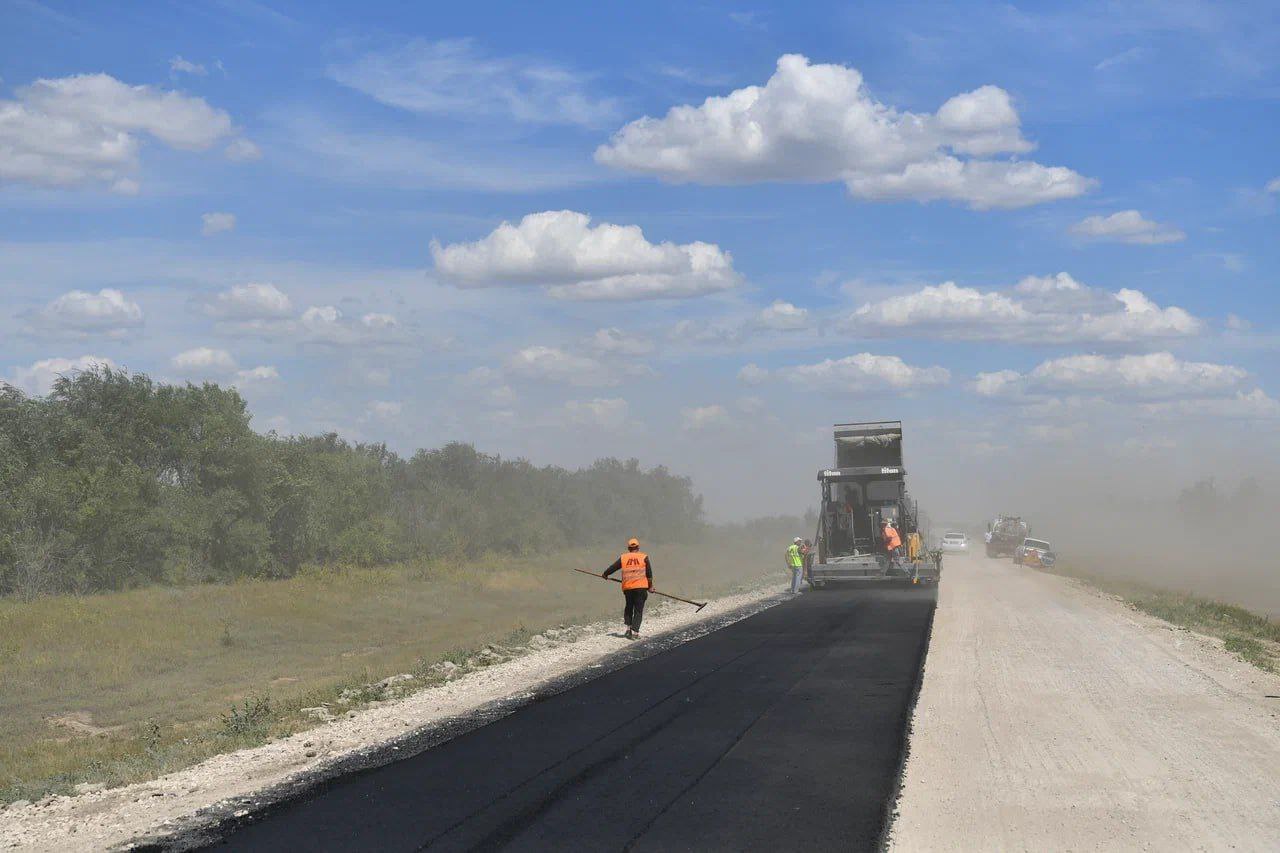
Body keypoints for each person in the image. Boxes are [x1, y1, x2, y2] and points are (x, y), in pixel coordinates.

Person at [601, 538, 652, 640]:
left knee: (629, 607)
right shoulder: (644, 557)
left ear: (629, 548)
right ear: (638, 547)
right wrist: (650, 587)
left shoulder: (624, 558)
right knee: (638, 610)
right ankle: (635, 632)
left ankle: (628, 629)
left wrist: (605, 574)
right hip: (641, 587)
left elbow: (613, 567)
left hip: (628, 588)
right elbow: (649, 575)